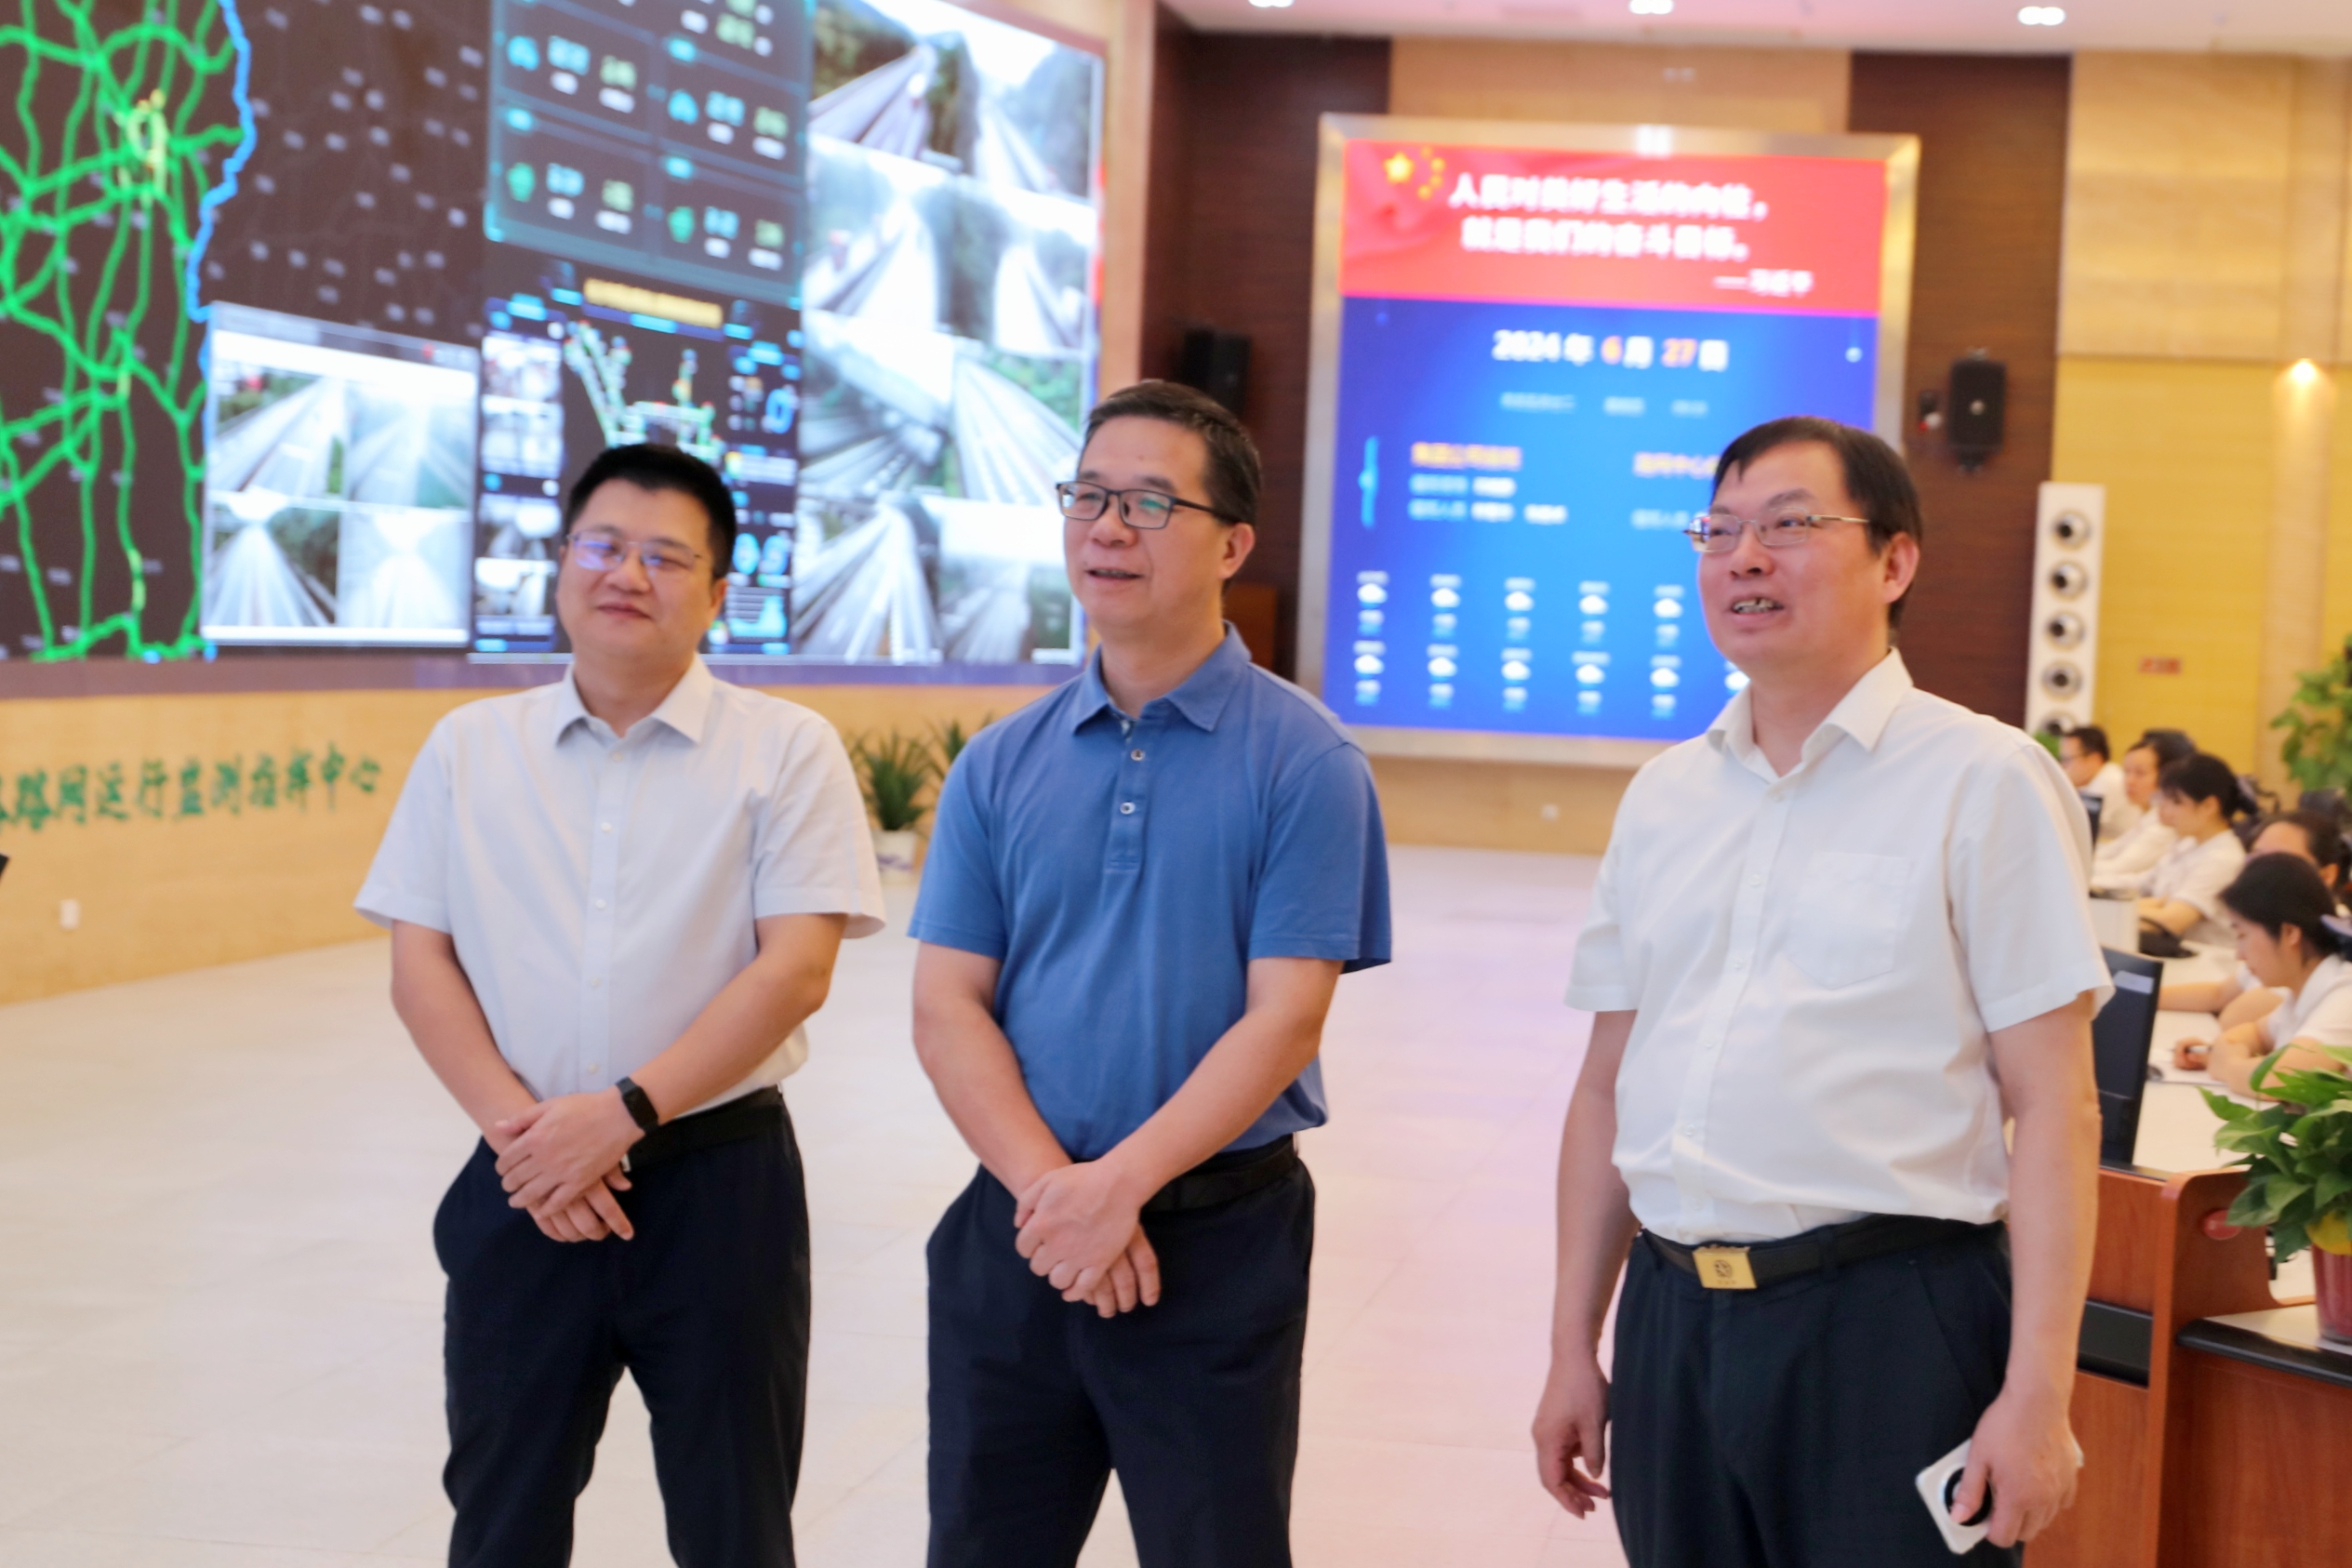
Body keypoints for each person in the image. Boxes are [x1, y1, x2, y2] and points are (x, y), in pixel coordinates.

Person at [1534, 415, 2109, 1566]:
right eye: (1720, 531)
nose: (1745, 558)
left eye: (1790, 525)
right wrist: (1570, 1349)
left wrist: (2038, 1395)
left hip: (1889, 1328)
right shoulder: (1665, 797)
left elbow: (2056, 1104)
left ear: (1895, 562)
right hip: (1673, 1321)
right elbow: (1605, 1089)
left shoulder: (1985, 780)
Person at [357, 444, 885, 1567]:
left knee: (734, 1518)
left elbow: (795, 971)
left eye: (665, 557)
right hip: (525, 1178)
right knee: (501, 1514)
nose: (626, 575)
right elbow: (421, 965)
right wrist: (530, 1140)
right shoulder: (470, 748)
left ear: (718, 592)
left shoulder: (787, 749)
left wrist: (623, 1114)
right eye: (601, 546)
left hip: (717, 1187)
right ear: (561, 563)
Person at [909, 379, 1390, 1568]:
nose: (1108, 528)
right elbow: (946, 1002)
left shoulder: (1308, 762)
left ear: (1232, 543)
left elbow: (1284, 1019)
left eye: (1149, 503)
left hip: (1214, 1247)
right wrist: (1060, 1198)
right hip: (1018, 1231)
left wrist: (1121, 1187)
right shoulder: (998, 764)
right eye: (1087, 497)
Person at [2173, 855, 2352, 1098]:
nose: (2239, 954)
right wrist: (2215, 1054)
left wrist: (2227, 1066)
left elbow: (2279, 1081)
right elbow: (2253, 1034)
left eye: (2243, 935)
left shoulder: (2345, 993)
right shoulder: (2306, 987)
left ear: (2290, 933)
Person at [2160, 810, 2347, 1025]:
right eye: (2257, 858)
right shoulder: (2270, 919)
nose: (2261, 871)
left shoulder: (2325, 938)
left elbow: (2235, 1018)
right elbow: (2219, 994)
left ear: (2327, 875)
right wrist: (2142, 994)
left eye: (2280, 861)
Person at [2136, 752, 2250, 948]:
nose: (2167, 810)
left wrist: (2112, 912)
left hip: (2208, 961)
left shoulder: (2223, 858)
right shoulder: (2189, 845)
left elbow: (2170, 921)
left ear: (2209, 806)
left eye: (2177, 802)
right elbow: (2153, 898)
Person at [2090, 730, 2195, 891]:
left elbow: (2120, 868)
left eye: (2140, 773)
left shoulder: (2165, 825)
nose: (2129, 781)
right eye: (2126, 772)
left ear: (2167, 778)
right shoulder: (2148, 815)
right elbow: (2112, 851)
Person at [2059, 725, 2135, 843]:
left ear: (2094, 759)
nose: (2063, 766)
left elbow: (2076, 827)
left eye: (2067, 759)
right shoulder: (2095, 780)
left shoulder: (2109, 781)